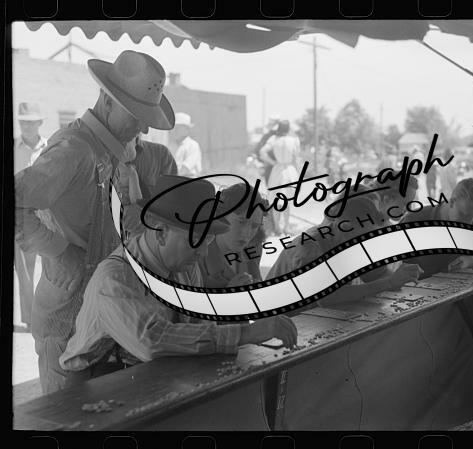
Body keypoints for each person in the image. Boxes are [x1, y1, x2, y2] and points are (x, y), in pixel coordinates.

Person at [15, 50, 177, 394]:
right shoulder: (74, 149)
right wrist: (60, 251)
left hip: (98, 321)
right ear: (106, 101)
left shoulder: (108, 151)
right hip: (66, 321)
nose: (144, 127)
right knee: (65, 416)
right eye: (137, 116)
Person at [61, 175, 297, 385]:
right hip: (96, 383)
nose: (203, 253)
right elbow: (151, 341)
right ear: (161, 232)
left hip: (149, 374)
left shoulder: (186, 268)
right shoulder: (115, 277)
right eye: (196, 241)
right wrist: (245, 334)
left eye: (208, 242)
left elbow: (198, 325)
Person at [267, 197, 423, 307]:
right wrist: (388, 283)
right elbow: (327, 298)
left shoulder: (351, 241)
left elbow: (378, 276)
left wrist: (401, 277)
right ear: (345, 227)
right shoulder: (309, 247)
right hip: (279, 323)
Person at [401, 178, 473, 278]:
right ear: (452, 202)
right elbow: (395, 269)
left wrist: (471, 260)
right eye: (464, 215)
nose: (468, 224)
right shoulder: (414, 220)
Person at [14, 102, 48, 331]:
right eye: (22, 122)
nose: (26, 126)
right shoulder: (12, 146)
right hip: (17, 212)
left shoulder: (48, 148)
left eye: (30, 122)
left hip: (40, 214)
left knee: (42, 267)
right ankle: (29, 318)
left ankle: (40, 317)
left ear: (40, 123)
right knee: (23, 269)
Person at [201, 183, 268, 287]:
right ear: (220, 216)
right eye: (241, 222)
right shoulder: (197, 253)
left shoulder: (253, 248)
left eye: (255, 226)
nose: (247, 233)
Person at [259, 120, 301, 235]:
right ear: (288, 129)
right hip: (289, 169)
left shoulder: (273, 139)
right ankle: (286, 227)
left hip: (277, 169)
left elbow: (262, 152)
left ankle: (278, 227)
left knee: (276, 200)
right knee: (286, 200)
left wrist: (272, 162)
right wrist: (298, 173)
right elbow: (296, 159)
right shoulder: (294, 140)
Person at [170, 112, 202, 177]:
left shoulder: (193, 145)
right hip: (176, 179)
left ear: (186, 129)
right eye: (174, 128)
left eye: (177, 128)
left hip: (190, 180)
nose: (174, 131)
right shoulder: (171, 145)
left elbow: (184, 170)